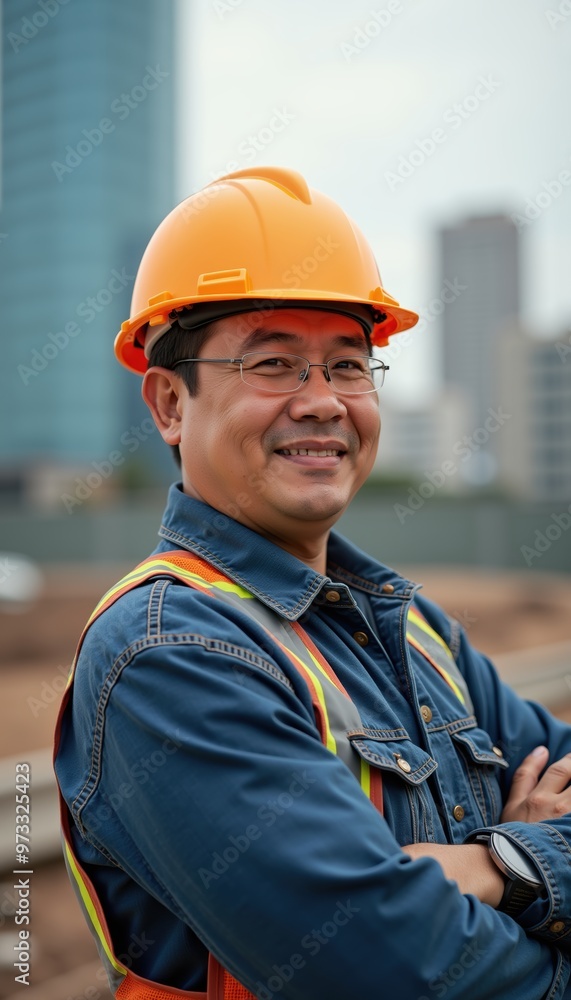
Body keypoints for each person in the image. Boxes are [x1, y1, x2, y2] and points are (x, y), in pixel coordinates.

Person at [54, 166, 571, 1000]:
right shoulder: (167, 654)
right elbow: (395, 969)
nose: (323, 402)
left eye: (347, 366)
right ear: (168, 405)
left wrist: (499, 866)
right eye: (273, 365)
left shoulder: (413, 630)